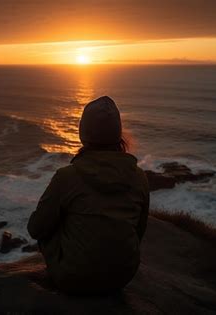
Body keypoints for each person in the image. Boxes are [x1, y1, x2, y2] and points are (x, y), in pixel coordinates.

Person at [27, 96, 150, 294]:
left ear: (83, 134)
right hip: (122, 277)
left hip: (74, 278)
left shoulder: (67, 177)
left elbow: (36, 228)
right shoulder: (140, 177)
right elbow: (139, 231)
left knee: (52, 221)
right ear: (118, 134)